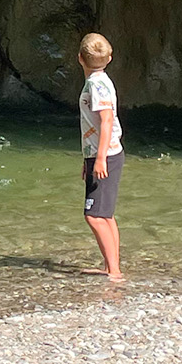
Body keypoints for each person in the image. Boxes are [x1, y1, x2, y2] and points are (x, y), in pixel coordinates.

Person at [77, 32, 123, 283]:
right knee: (105, 214)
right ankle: (111, 266)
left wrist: (100, 159)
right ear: (110, 58)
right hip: (103, 152)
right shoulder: (103, 80)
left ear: (80, 59)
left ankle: (114, 272)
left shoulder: (95, 85)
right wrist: (88, 159)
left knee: (93, 215)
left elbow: (105, 121)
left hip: (106, 154)